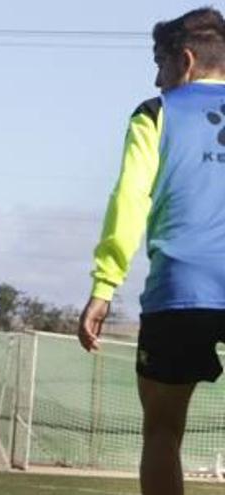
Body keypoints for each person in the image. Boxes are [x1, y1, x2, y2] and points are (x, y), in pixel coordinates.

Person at [77, 8, 225, 495]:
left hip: (180, 291)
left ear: (185, 61)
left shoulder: (156, 114)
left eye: (160, 63)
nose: (156, 78)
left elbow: (129, 200)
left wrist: (104, 286)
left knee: (162, 433)